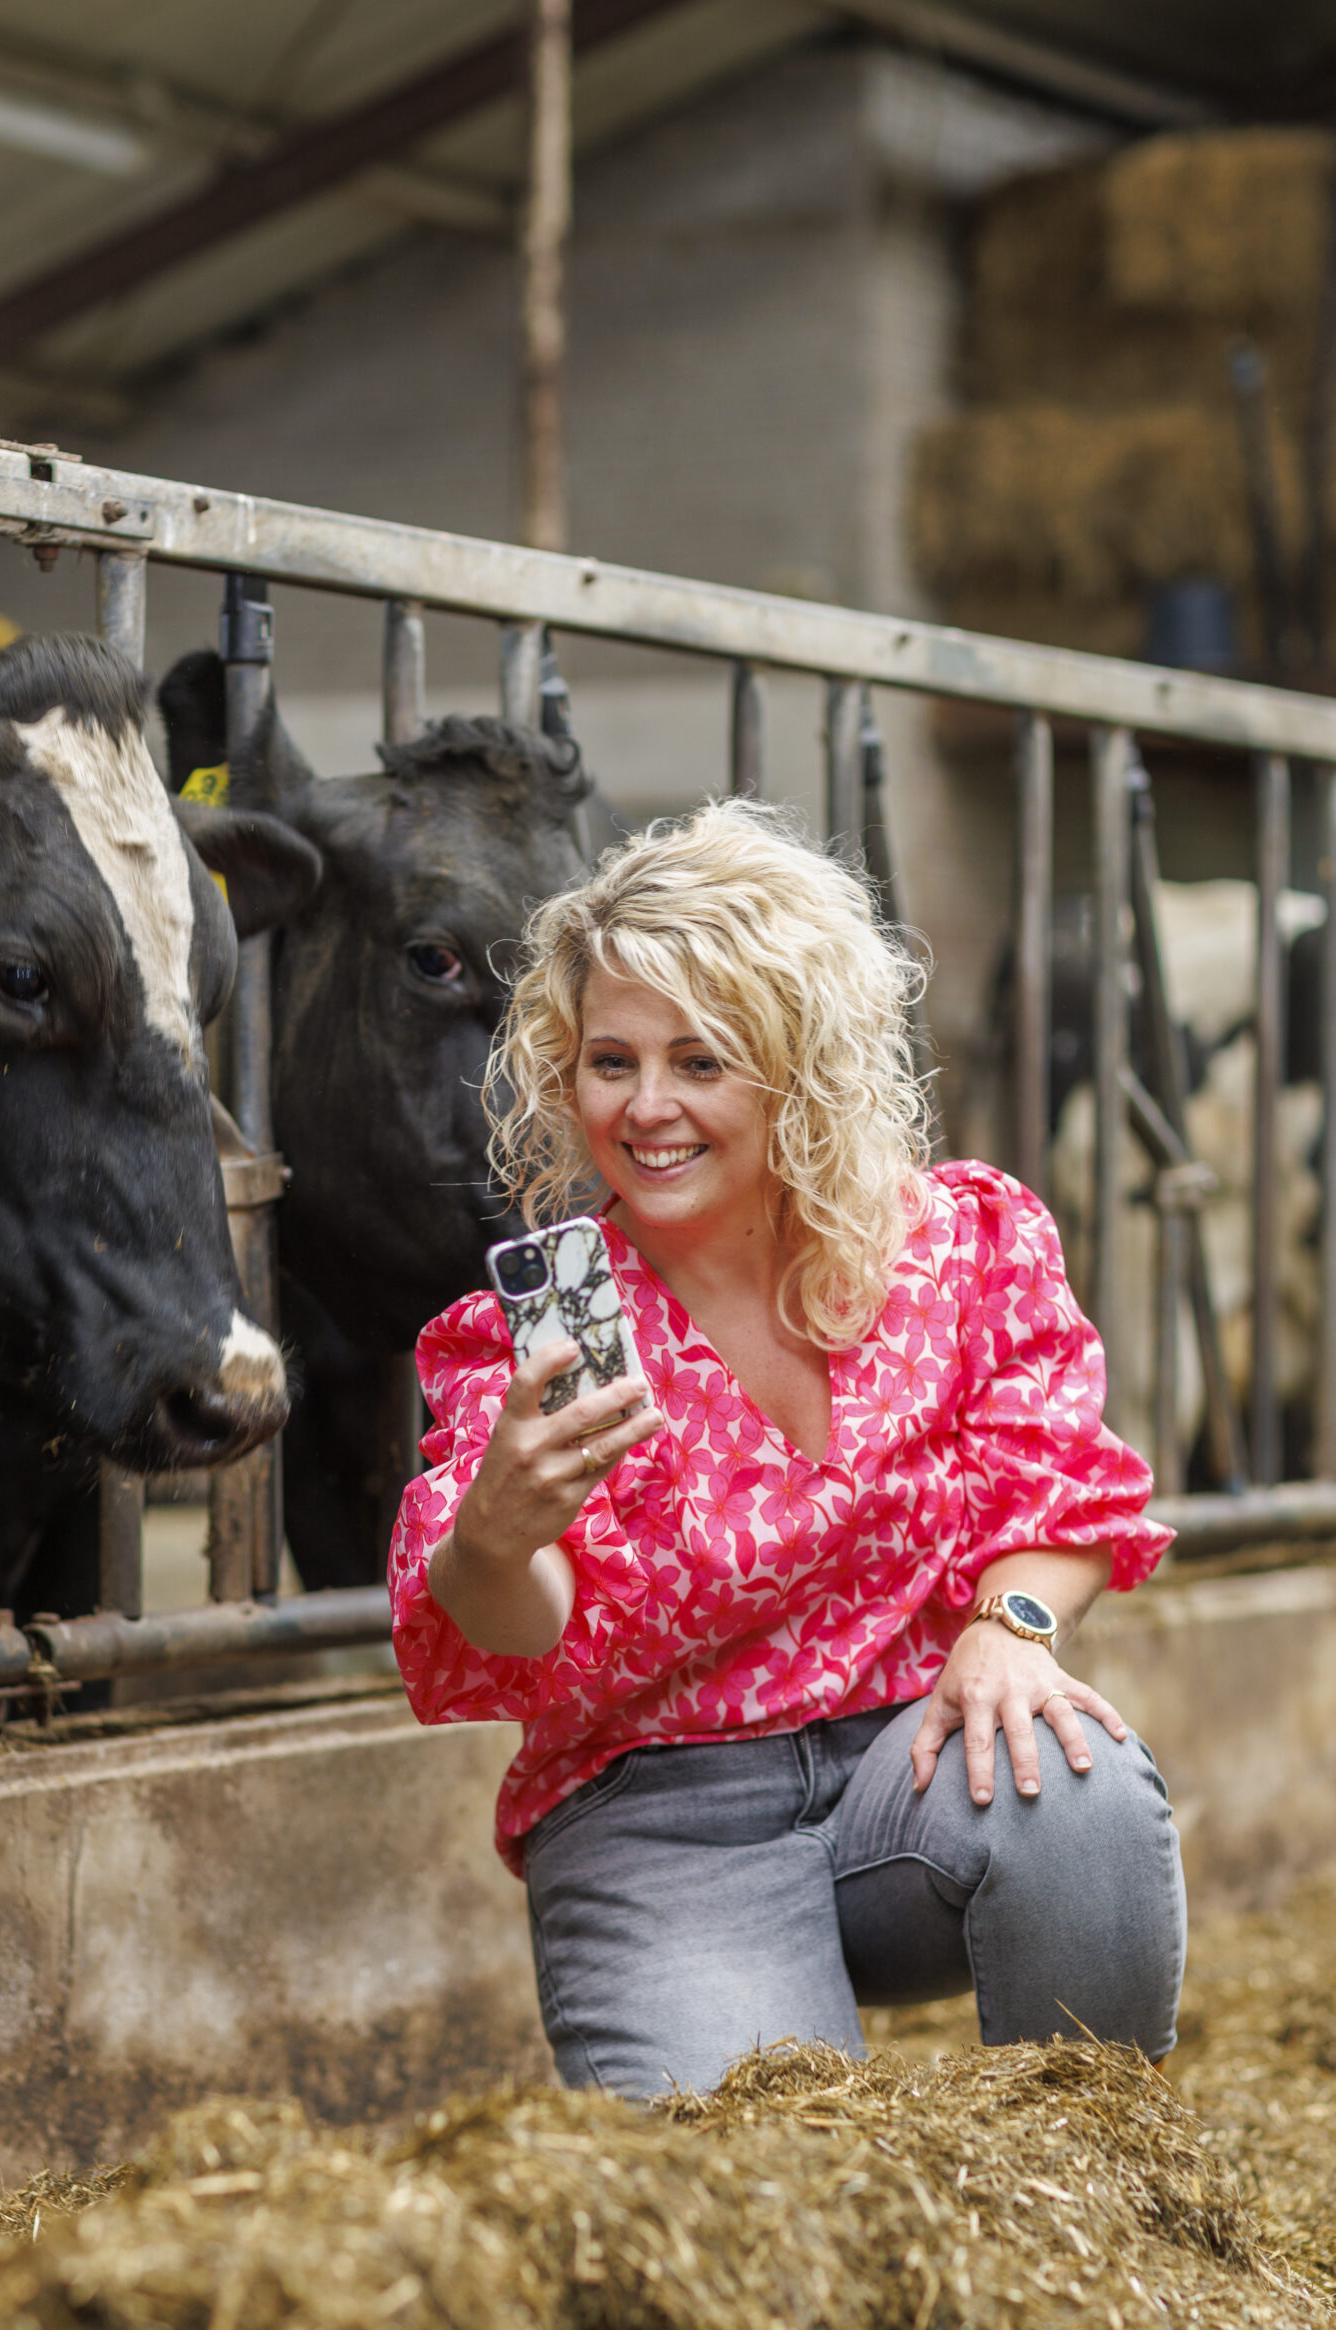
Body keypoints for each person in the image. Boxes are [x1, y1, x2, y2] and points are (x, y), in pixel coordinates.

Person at [388, 800, 1184, 2098]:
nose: (646, 1109)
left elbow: (1061, 1474)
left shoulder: (946, 1244)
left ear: (797, 1066)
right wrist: (498, 1528)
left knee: (1078, 1786)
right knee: (755, 2208)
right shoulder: (548, 1331)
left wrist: (1011, 1624)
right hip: (661, 1822)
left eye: (701, 1062)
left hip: (903, 1765)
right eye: (610, 1061)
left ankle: (1097, 2199)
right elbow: (510, 1631)